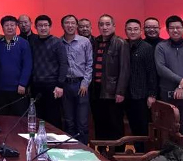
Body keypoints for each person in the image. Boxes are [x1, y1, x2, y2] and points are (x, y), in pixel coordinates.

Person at [155, 15, 183, 139]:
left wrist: (182, 86)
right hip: (167, 93)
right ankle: (169, 151)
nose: (175, 30)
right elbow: (161, 68)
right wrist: (181, 81)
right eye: (172, 28)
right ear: (167, 30)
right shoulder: (161, 47)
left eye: (178, 27)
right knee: (167, 127)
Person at [91, 14, 130, 142]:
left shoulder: (120, 43)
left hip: (113, 90)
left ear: (114, 26)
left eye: (108, 24)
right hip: (96, 89)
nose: (104, 27)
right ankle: (102, 150)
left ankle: (118, 151)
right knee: (99, 122)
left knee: (115, 123)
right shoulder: (95, 42)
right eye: (101, 24)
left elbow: (124, 69)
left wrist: (120, 91)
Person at [124, 19, 158, 152]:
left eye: (135, 29)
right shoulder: (124, 45)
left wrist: (152, 94)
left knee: (143, 127)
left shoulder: (147, 48)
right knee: (132, 126)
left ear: (141, 31)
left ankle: (145, 154)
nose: (132, 32)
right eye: (129, 29)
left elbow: (152, 72)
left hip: (142, 94)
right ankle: (137, 152)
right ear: (125, 31)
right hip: (126, 94)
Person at [29, 15, 67, 128]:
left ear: (50, 27)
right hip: (36, 85)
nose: (43, 28)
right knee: (37, 117)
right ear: (35, 27)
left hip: (52, 86)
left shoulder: (57, 42)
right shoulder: (32, 42)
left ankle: (54, 139)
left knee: (53, 117)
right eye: (40, 26)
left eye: (46, 25)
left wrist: (60, 85)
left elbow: (63, 64)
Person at [60, 15, 92, 145]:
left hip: (81, 84)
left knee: (82, 122)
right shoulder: (58, 42)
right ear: (62, 26)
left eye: (73, 23)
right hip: (65, 85)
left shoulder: (85, 42)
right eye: (67, 23)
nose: (70, 25)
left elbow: (89, 64)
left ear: (76, 25)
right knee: (68, 121)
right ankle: (70, 149)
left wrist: (85, 83)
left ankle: (84, 148)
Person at [0, 15, 32, 116]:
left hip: (18, 88)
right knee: (1, 117)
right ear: (2, 27)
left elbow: (27, 65)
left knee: (19, 118)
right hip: (0, 88)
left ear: (16, 26)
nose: (9, 27)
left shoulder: (23, 43)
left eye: (12, 25)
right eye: (7, 25)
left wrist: (23, 83)